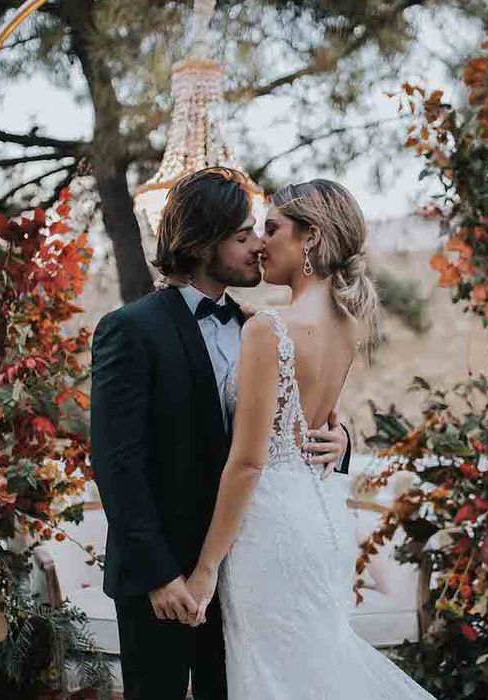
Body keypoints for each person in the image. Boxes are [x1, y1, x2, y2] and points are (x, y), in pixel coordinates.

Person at [89, 167, 351, 700]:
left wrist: (342, 442)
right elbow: (118, 463)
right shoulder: (131, 329)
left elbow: (288, 429)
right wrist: (160, 575)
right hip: (163, 576)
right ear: (201, 244)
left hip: (246, 568)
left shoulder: (261, 328)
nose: (258, 245)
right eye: (242, 236)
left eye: (261, 231)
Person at [185, 179, 438, 699]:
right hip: (323, 519)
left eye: (273, 228)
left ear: (311, 239)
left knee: (277, 679)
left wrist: (205, 568)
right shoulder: (347, 324)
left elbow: (249, 463)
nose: (261, 242)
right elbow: (314, 422)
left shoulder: (269, 329)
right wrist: (341, 437)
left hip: (270, 529)